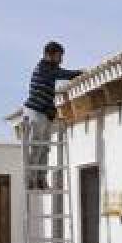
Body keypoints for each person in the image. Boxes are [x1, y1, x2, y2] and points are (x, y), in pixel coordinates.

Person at [23, 41, 81, 189]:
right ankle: (31, 179)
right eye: (59, 56)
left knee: (45, 148)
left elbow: (60, 73)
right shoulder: (45, 67)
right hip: (36, 111)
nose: (61, 59)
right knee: (36, 146)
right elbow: (65, 74)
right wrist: (80, 73)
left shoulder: (50, 68)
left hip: (44, 113)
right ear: (50, 55)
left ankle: (41, 179)